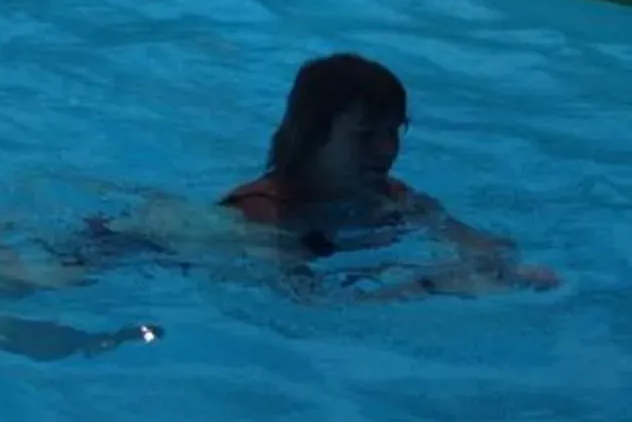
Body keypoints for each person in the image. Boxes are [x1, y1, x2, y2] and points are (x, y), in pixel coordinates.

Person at [222, 52, 554, 288]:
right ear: (312, 137)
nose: (387, 150)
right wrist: (429, 285)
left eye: (393, 131)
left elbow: (480, 244)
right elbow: (309, 306)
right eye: (364, 136)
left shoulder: (394, 198)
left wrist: (510, 270)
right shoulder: (262, 212)